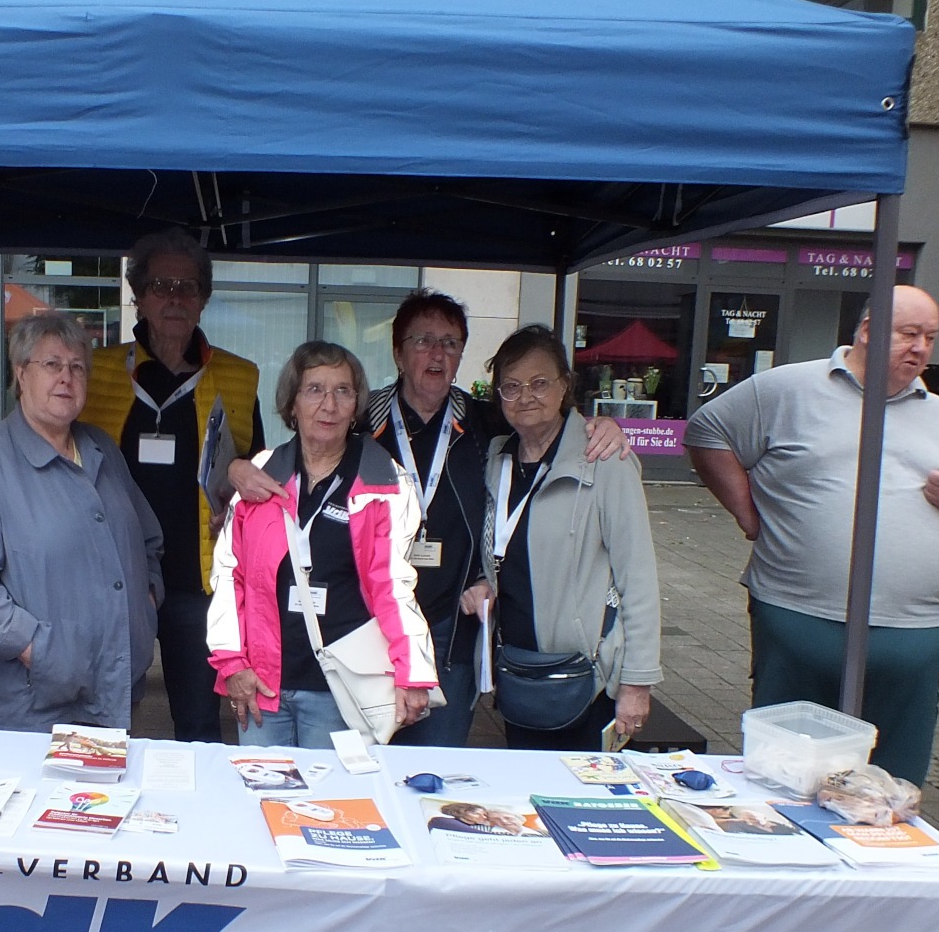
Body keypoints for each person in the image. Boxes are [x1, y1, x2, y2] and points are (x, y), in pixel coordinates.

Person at [684, 286, 939, 785]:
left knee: (894, 783)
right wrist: (746, 513)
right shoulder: (787, 389)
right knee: (786, 773)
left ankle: (879, 858)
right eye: (909, 334)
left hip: (914, 632)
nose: (921, 349)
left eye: (930, 338)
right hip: (800, 617)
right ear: (868, 331)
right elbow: (706, 432)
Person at [364, 289, 627, 748]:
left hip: (451, 626)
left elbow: (548, 423)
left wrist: (600, 425)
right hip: (370, 622)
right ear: (398, 352)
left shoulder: (487, 422)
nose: (437, 354)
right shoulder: (360, 424)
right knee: (366, 762)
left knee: (434, 764)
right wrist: (239, 469)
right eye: (423, 340)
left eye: (450, 343)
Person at [82, 230, 267, 743]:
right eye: (161, 285)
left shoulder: (239, 377)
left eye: (188, 287)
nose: (175, 297)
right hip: (114, 576)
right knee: (105, 717)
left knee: (199, 724)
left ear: (204, 299)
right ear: (139, 294)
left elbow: (254, 472)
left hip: (196, 580)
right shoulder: (95, 373)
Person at [208, 342, 437, 749]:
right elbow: (229, 576)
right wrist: (231, 664)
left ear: (355, 405)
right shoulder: (260, 474)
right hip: (262, 684)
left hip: (340, 688)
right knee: (265, 800)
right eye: (314, 389)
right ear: (292, 404)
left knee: (332, 806)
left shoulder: (382, 482)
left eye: (343, 391)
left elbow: (395, 586)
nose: (329, 405)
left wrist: (412, 672)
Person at [0, 312, 165, 732]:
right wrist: (42, 651)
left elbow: (149, 540)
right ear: (21, 374)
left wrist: (145, 607)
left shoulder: (102, 448)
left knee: (106, 799)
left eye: (77, 367)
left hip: (117, 688)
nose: (66, 377)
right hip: (38, 704)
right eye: (51, 364)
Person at [462, 326, 661, 750]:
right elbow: (500, 551)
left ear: (565, 385)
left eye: (539, 383)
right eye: (511, 387)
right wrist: (483, 582)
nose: (526, 397)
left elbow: (638, 579)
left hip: (584, 679)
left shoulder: (605, 462)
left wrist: (638, 683)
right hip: (520, 673)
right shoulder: (498, 462)